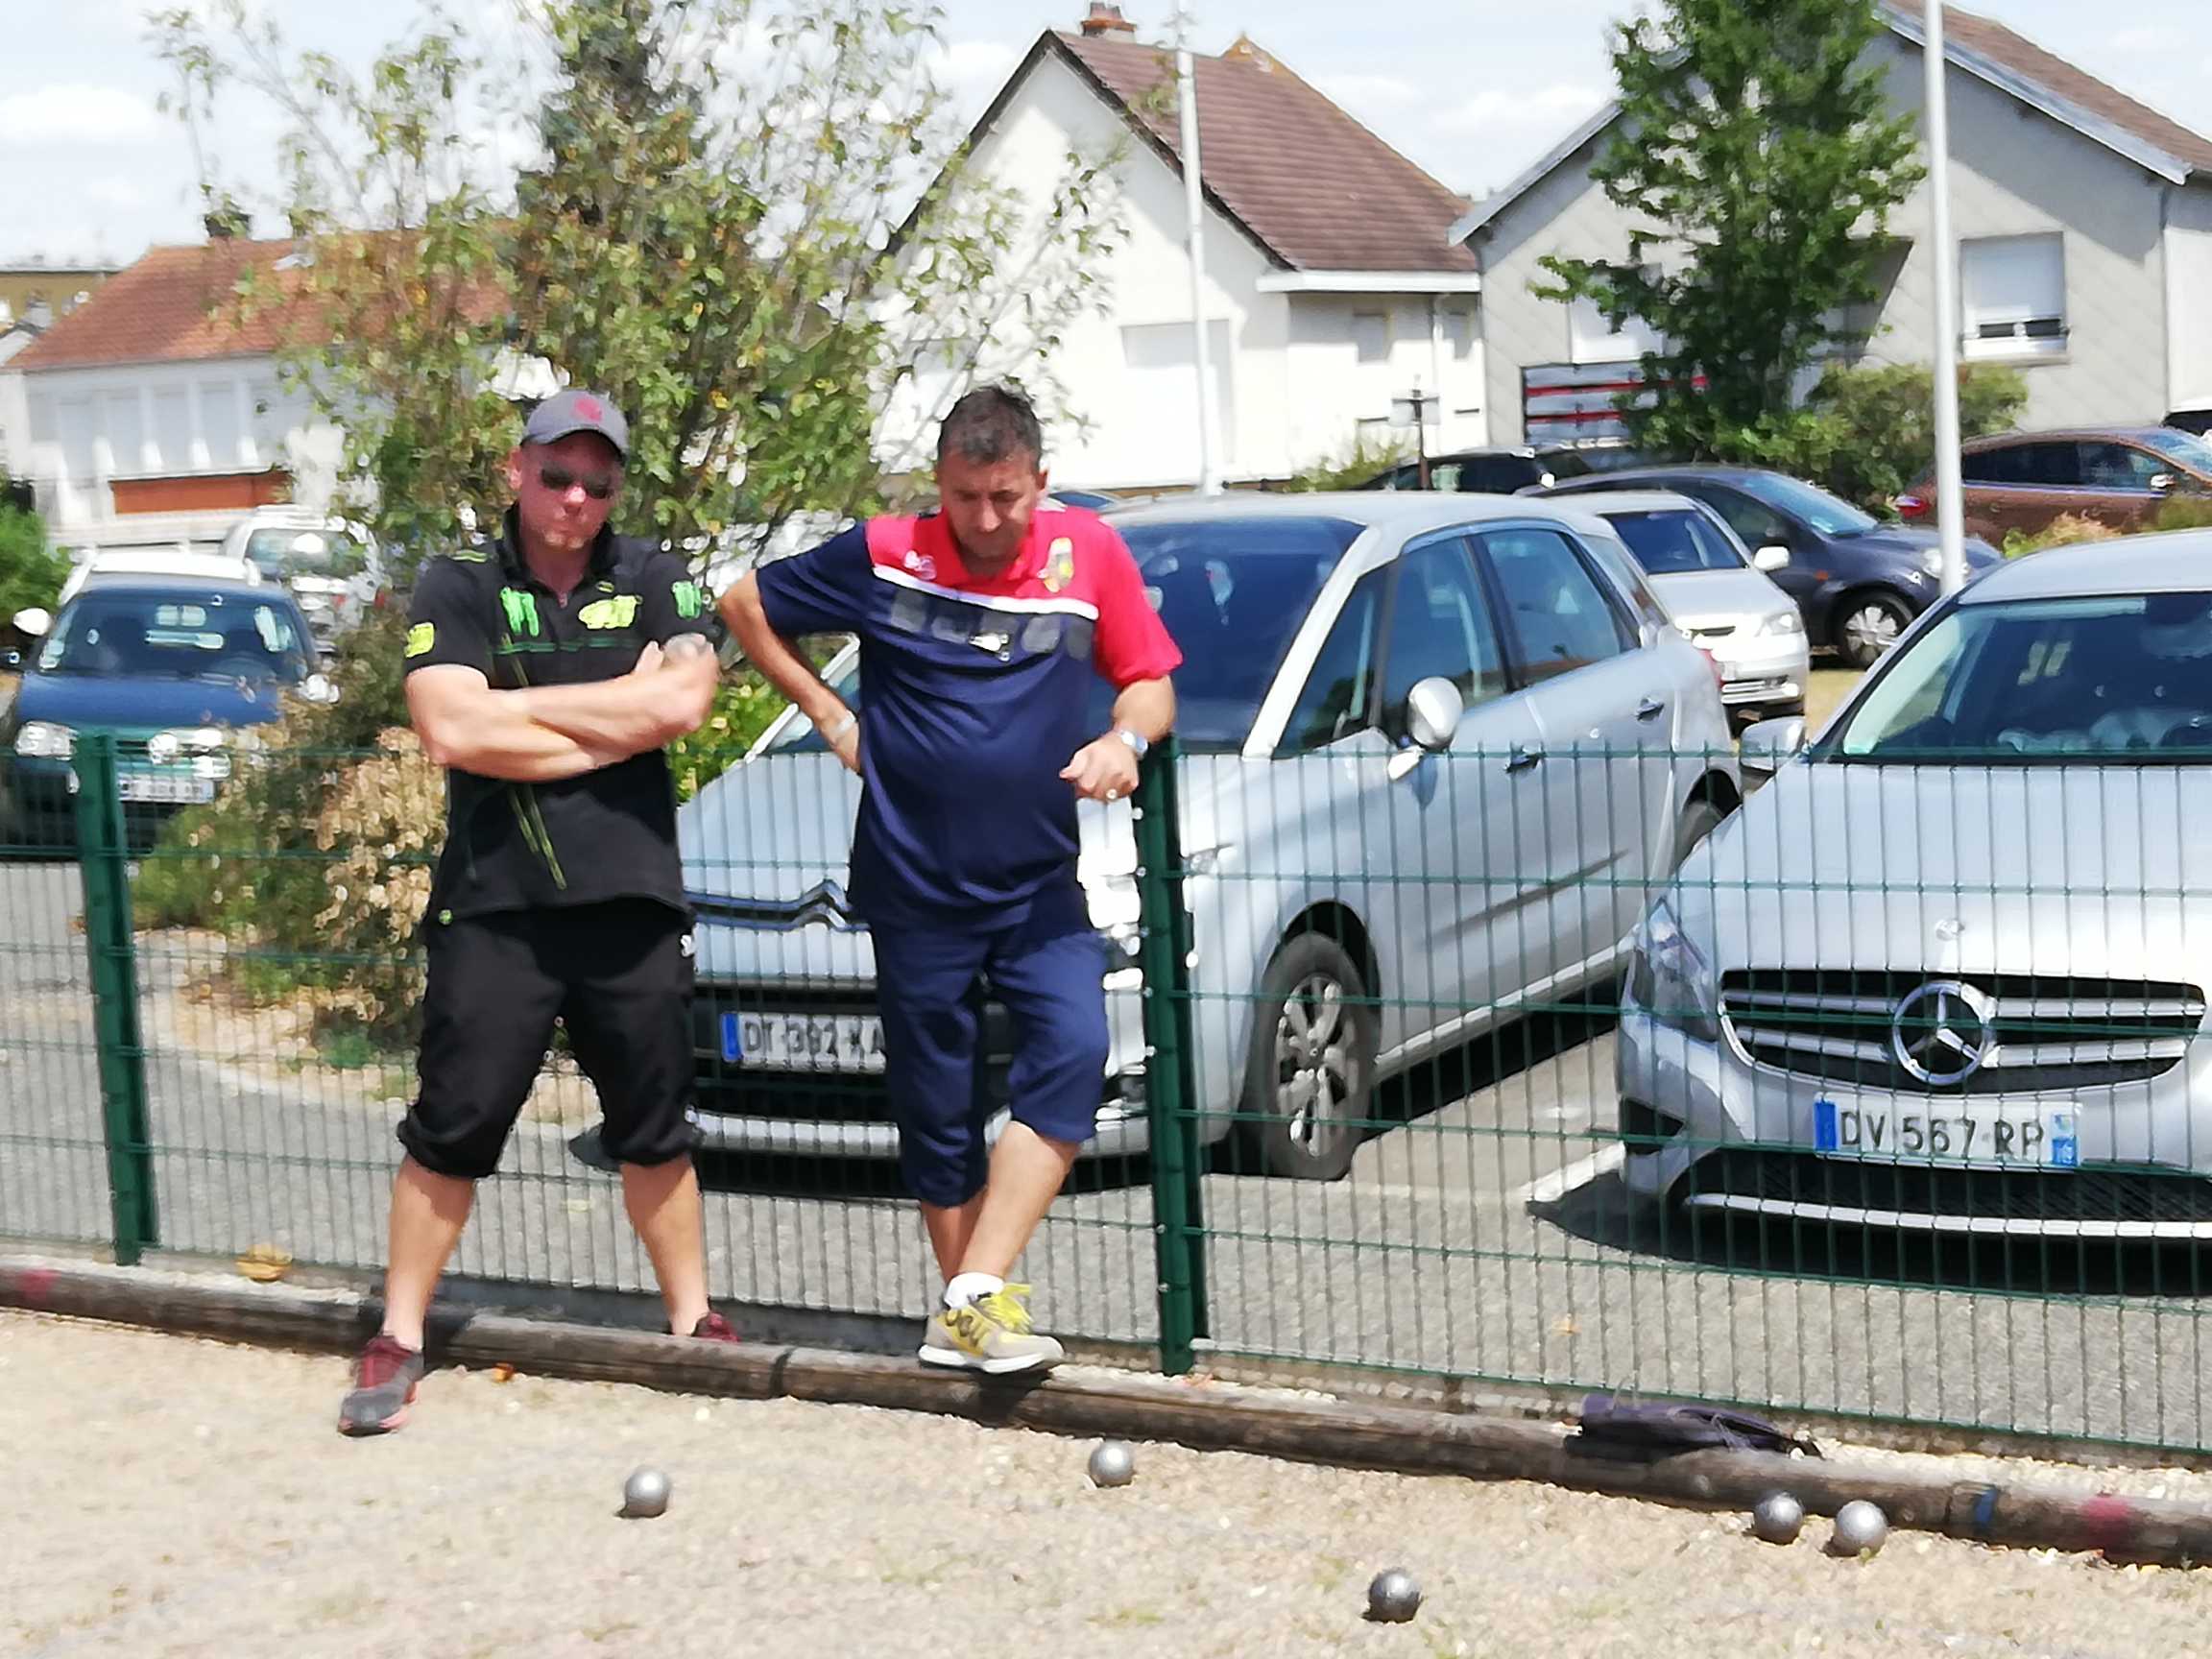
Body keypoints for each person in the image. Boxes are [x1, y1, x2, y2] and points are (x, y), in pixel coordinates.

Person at [721, 384, 1180, 1373]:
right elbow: (744, 604)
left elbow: (1150, 681)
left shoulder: (1089, 554)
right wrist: (831, 718)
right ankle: (974, 1320)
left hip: (1037, 887)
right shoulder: (886, 552)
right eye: (965, 497)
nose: (984, 519)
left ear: (1040, 483)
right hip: (912, 884)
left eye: (1005, 498)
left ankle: (972, 1290)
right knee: (936, 1106)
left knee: (1075, 1048)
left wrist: (1125, 740)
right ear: (938, 483)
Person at [339, 389, 733, 1435]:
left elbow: (686, 702)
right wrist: (618, 719)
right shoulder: (459, 582)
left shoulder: (654, 575)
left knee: (655, 1128)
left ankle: (693, 1323)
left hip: (631, 902)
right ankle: (400, 1335)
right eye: (557, 474)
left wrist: (514, 710)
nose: (575, 498)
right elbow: (449, 730)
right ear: (517, 470)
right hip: (496, 907)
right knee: (452, 1127)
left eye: (597, 482)